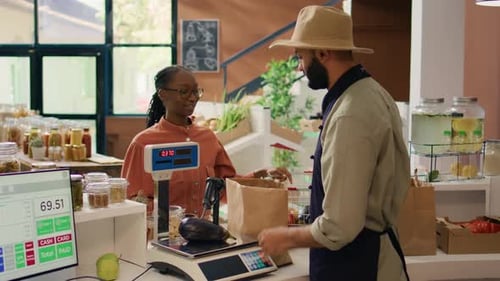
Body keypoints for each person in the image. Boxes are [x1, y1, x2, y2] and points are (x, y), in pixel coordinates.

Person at [257, 5, 410, 281]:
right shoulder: (371, 92)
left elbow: (340, 225)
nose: (300, 66)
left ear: (323, 53)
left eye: (301, 56)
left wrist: (286, 237)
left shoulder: (349, 114)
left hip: (359, 264)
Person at [121, 65, 292, 217]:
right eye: (184, 91)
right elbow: (132, 201)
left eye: (195, 91)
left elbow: (225, 186)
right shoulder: (143, 143)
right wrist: (171, 218)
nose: (192, 97)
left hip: (202, 236)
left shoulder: (207, 138)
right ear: (163, 94)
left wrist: (261, 175)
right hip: (159, 241)